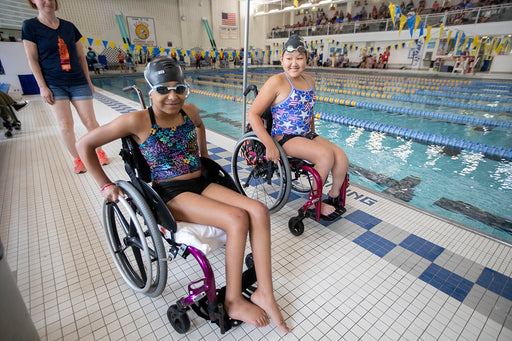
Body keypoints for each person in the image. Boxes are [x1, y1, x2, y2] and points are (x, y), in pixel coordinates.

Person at [75, 56, 291, 334]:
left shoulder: (189, 111)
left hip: (200, 182)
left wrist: (203, 156)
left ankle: (265, 292)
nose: (172, 96)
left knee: (258, 210)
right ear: (151, 89)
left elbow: (199, 126)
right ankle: (234, 301)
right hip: (170, 193)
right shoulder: (136, 120)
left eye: (179, 88)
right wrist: (105, 185)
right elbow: (84, 144)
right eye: (163, 89)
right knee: (237, 218)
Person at [247, 34, 349, 221]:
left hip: (306, 134)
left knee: (341, 157)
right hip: (284, 137)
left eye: (299, 58)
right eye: (289, 58)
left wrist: (314, 134)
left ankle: (333, 196)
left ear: (306, 60)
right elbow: (252, 114)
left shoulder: (310, 81)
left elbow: (309, 111)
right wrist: (269, 145)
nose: (294, 63)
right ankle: (313, 202)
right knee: (325, 155)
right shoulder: (276, 81)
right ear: (282, 59)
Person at [22, 0, 108, 174]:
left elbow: (80, 56)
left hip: (78, 81)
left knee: (90, 121)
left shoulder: (69, 27)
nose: (48, 1)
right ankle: (78, 159)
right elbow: (32, 58)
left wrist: (88, 80)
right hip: (53, 83)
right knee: (65, 125)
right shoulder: (30, 26)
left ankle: (99, 152)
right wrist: (42, 86)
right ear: (33, 1)